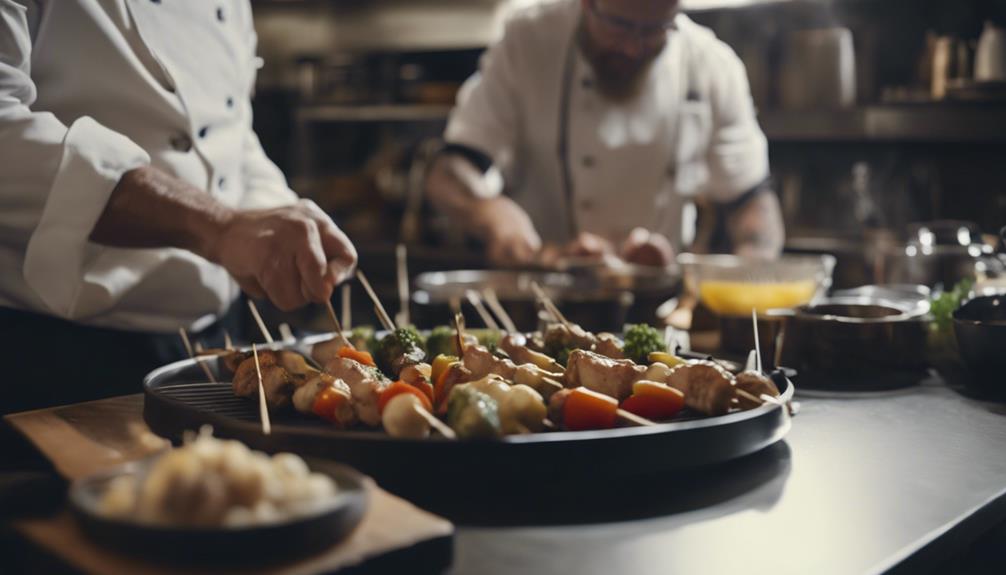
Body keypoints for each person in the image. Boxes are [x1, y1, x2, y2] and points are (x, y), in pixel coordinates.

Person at [0, 1, 356, 414]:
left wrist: (278, 216)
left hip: (218, 341)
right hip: (53, 355)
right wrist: (218, 225)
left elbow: (228, 133)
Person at [426, 0, 784, 267]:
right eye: (619, 25)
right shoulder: (528, 40)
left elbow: (752, 200)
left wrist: (750, 273)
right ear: (585, 4)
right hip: (538, 300)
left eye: (653, 31)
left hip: (660, 311)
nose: (632, 47)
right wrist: (490, 213)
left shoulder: (713, 65)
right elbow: (451, 170)